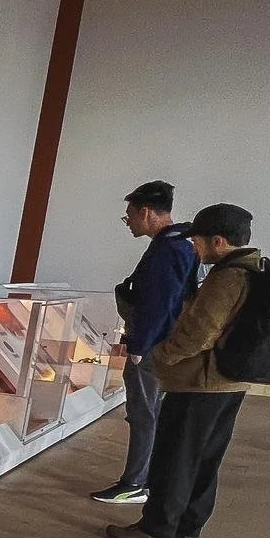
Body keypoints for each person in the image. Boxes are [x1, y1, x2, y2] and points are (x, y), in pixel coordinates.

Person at [107, 203, 259, 538]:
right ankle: (188, 527)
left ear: (218, 241)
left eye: (198, 241)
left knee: (175, 457)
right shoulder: (254, 269)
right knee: (205, 458)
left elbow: (199, 332)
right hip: (229, 382)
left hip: (199, 383)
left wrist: (163, 355)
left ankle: (158, 528)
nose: (194, 247)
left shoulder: (227, 277)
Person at [89, 180, 198, 504]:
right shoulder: (183, 243)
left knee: (143, 413)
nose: (129, 223)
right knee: (153, 412)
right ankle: (146, 478)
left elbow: (157, 303)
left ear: (146, 212)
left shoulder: (167, 250)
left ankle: (135, 482)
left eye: (130, 215)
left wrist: (138, 346)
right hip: (167, 341)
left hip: (153, 344)